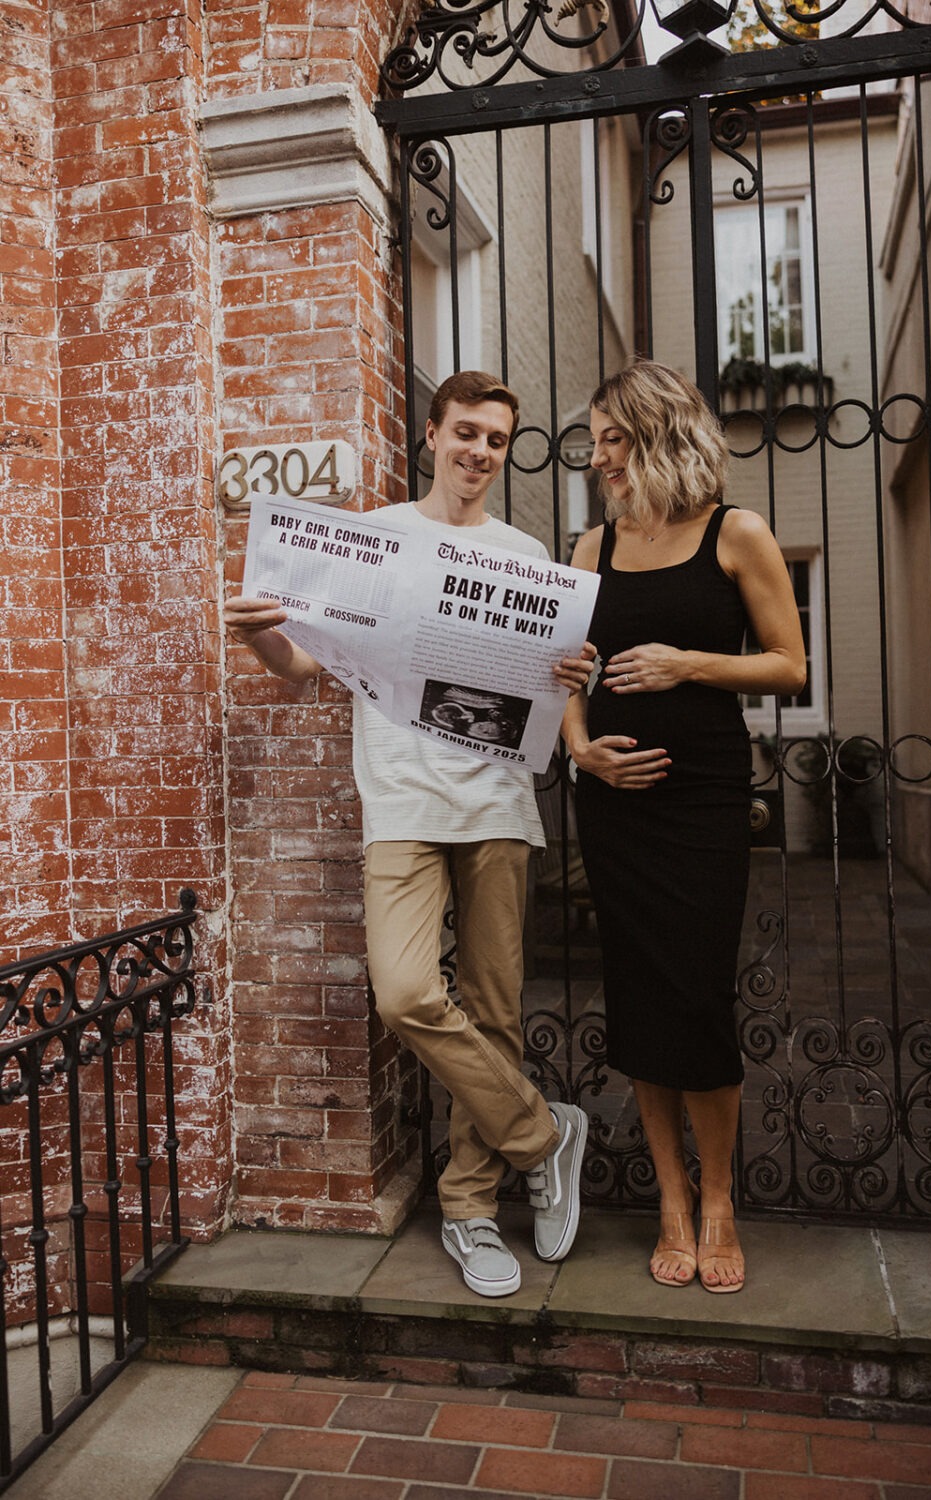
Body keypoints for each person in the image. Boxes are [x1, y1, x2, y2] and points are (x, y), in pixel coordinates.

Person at [225, 370, 593, 1299]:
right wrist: (260, 637)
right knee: (404, 992)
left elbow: (536, 687)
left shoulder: (524, 550)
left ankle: (471, 1212)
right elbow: (305, 665)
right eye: (466, 432)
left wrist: (570, 667)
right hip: (401, 805)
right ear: (431, 434)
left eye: (497, 440)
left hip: (500, 807)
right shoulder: (379, 538)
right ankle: (546, 1137)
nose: (479, 451)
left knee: (496, 1010)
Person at [561, 360, 806, 1293]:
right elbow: (567, 675)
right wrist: (582, 750)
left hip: (701, 796)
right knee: (640, 997)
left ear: (664, 432)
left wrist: (687, 665)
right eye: (597, 439)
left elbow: (789, 666)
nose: (602, 457)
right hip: (613, 803)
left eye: (617, 438)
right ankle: (671, 1198)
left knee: (697, 997)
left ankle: (720, 1201)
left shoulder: (734, 534)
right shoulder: (592, 549)